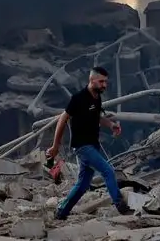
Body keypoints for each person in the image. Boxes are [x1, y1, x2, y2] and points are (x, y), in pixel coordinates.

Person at [46, 66, 131, 219]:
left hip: (92, 145)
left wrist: (111, 125)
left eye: (106, 82)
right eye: (101, 82)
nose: (104, 85)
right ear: (92, 80)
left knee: (83, 185)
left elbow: (96, 116)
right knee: (108, 171)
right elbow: (62, 119)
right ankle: (121, 206)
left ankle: (61, 212)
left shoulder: (97, 97)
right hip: (82, 146)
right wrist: (55, 146)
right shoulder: (78, 98)